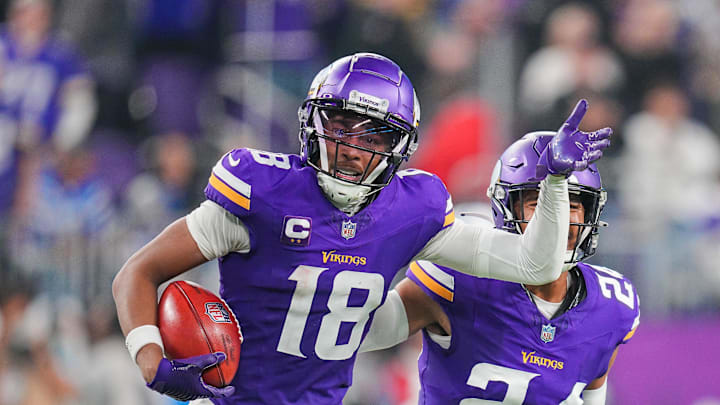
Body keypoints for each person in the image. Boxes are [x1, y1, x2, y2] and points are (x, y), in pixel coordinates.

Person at [112, 53, 612, 404]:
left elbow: (535, 262)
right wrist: (152, 361)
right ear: (313, 123)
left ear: (401, 146)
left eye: (374, 135)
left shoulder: (412, 210)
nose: (353, 148)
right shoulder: (262, 193)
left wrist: (555, 183)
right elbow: (138, 272)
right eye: (341, 126)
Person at [360, 131, 639, 404]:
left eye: (574, 204)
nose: (561, 218)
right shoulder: (460, 276)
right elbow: (356, 331)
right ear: (505, 209)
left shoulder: (612, 306)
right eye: (537, 204)